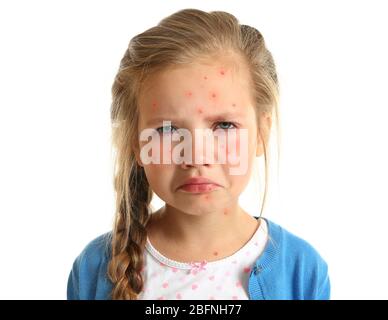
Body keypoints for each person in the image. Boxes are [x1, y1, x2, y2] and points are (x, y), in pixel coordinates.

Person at [67, 8, 330, 300]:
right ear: (135, 143)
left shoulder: (301, 270)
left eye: (224, 125)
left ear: (260, 134)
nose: (196, 156)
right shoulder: (95, 269)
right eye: (167, 130)